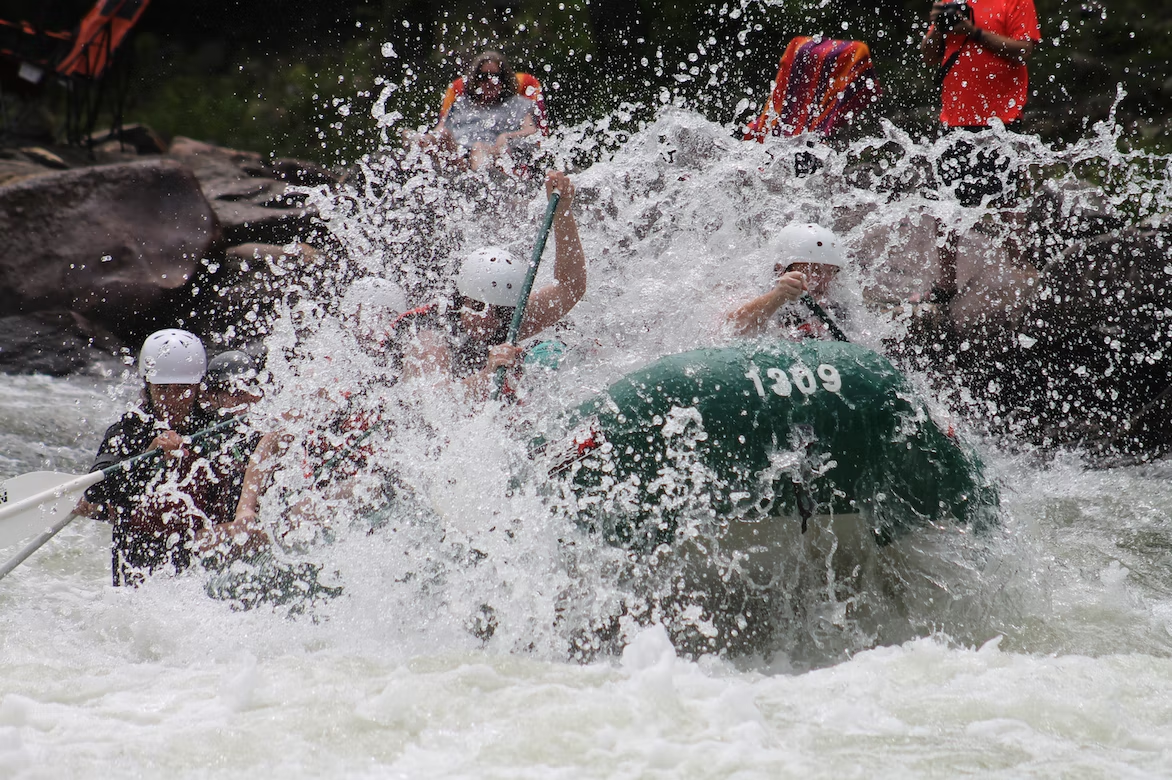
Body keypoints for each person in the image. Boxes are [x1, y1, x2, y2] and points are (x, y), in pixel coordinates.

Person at [396, 170, 585, 399]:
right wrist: (486, 375)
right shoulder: (431, 334)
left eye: (499, 311)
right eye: (477, 306)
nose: (488, 318)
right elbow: (431, 404)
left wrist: (563, 212)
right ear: (461, 299)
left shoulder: (505, 317)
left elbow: (570, 288)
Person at [78, 329, 220, 586]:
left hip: (205, 563)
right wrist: (150, 457)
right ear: (148, 386)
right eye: (163, 389)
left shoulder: (216, 427)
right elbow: (96, 490)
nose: (173, 399)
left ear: (199, 387)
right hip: (139, 564)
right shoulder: (128, 430)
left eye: (183, 389)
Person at [919, 0, 1040, 206]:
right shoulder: (951, 2)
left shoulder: (1015, 2)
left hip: (1001, 121)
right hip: (954, 120)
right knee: (946, 207)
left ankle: (1007, 239)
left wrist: (974, 32)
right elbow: (928, 56)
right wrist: (938, 28)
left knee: (1006, 205)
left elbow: (1023, 50)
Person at [726, 223, 846, 339]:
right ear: (781, 270)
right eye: (814, 270)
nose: (824, 279)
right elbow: (728, 331)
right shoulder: (755, 291)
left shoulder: (839, 307)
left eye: (830, 272)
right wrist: (776, 297)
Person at [426, 51, 540, 171]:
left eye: (496, 76)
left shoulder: (518, 104)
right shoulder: (460, 103)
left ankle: (475, 182)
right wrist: (426, 139)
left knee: (479, 148)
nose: (490, 82)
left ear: (504, 79)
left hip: (492, 155)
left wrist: (506, 136)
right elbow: (439, 129)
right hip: (457, 157)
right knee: (426, 137)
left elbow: (531, 130)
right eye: (484, 77)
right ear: (476, 80)